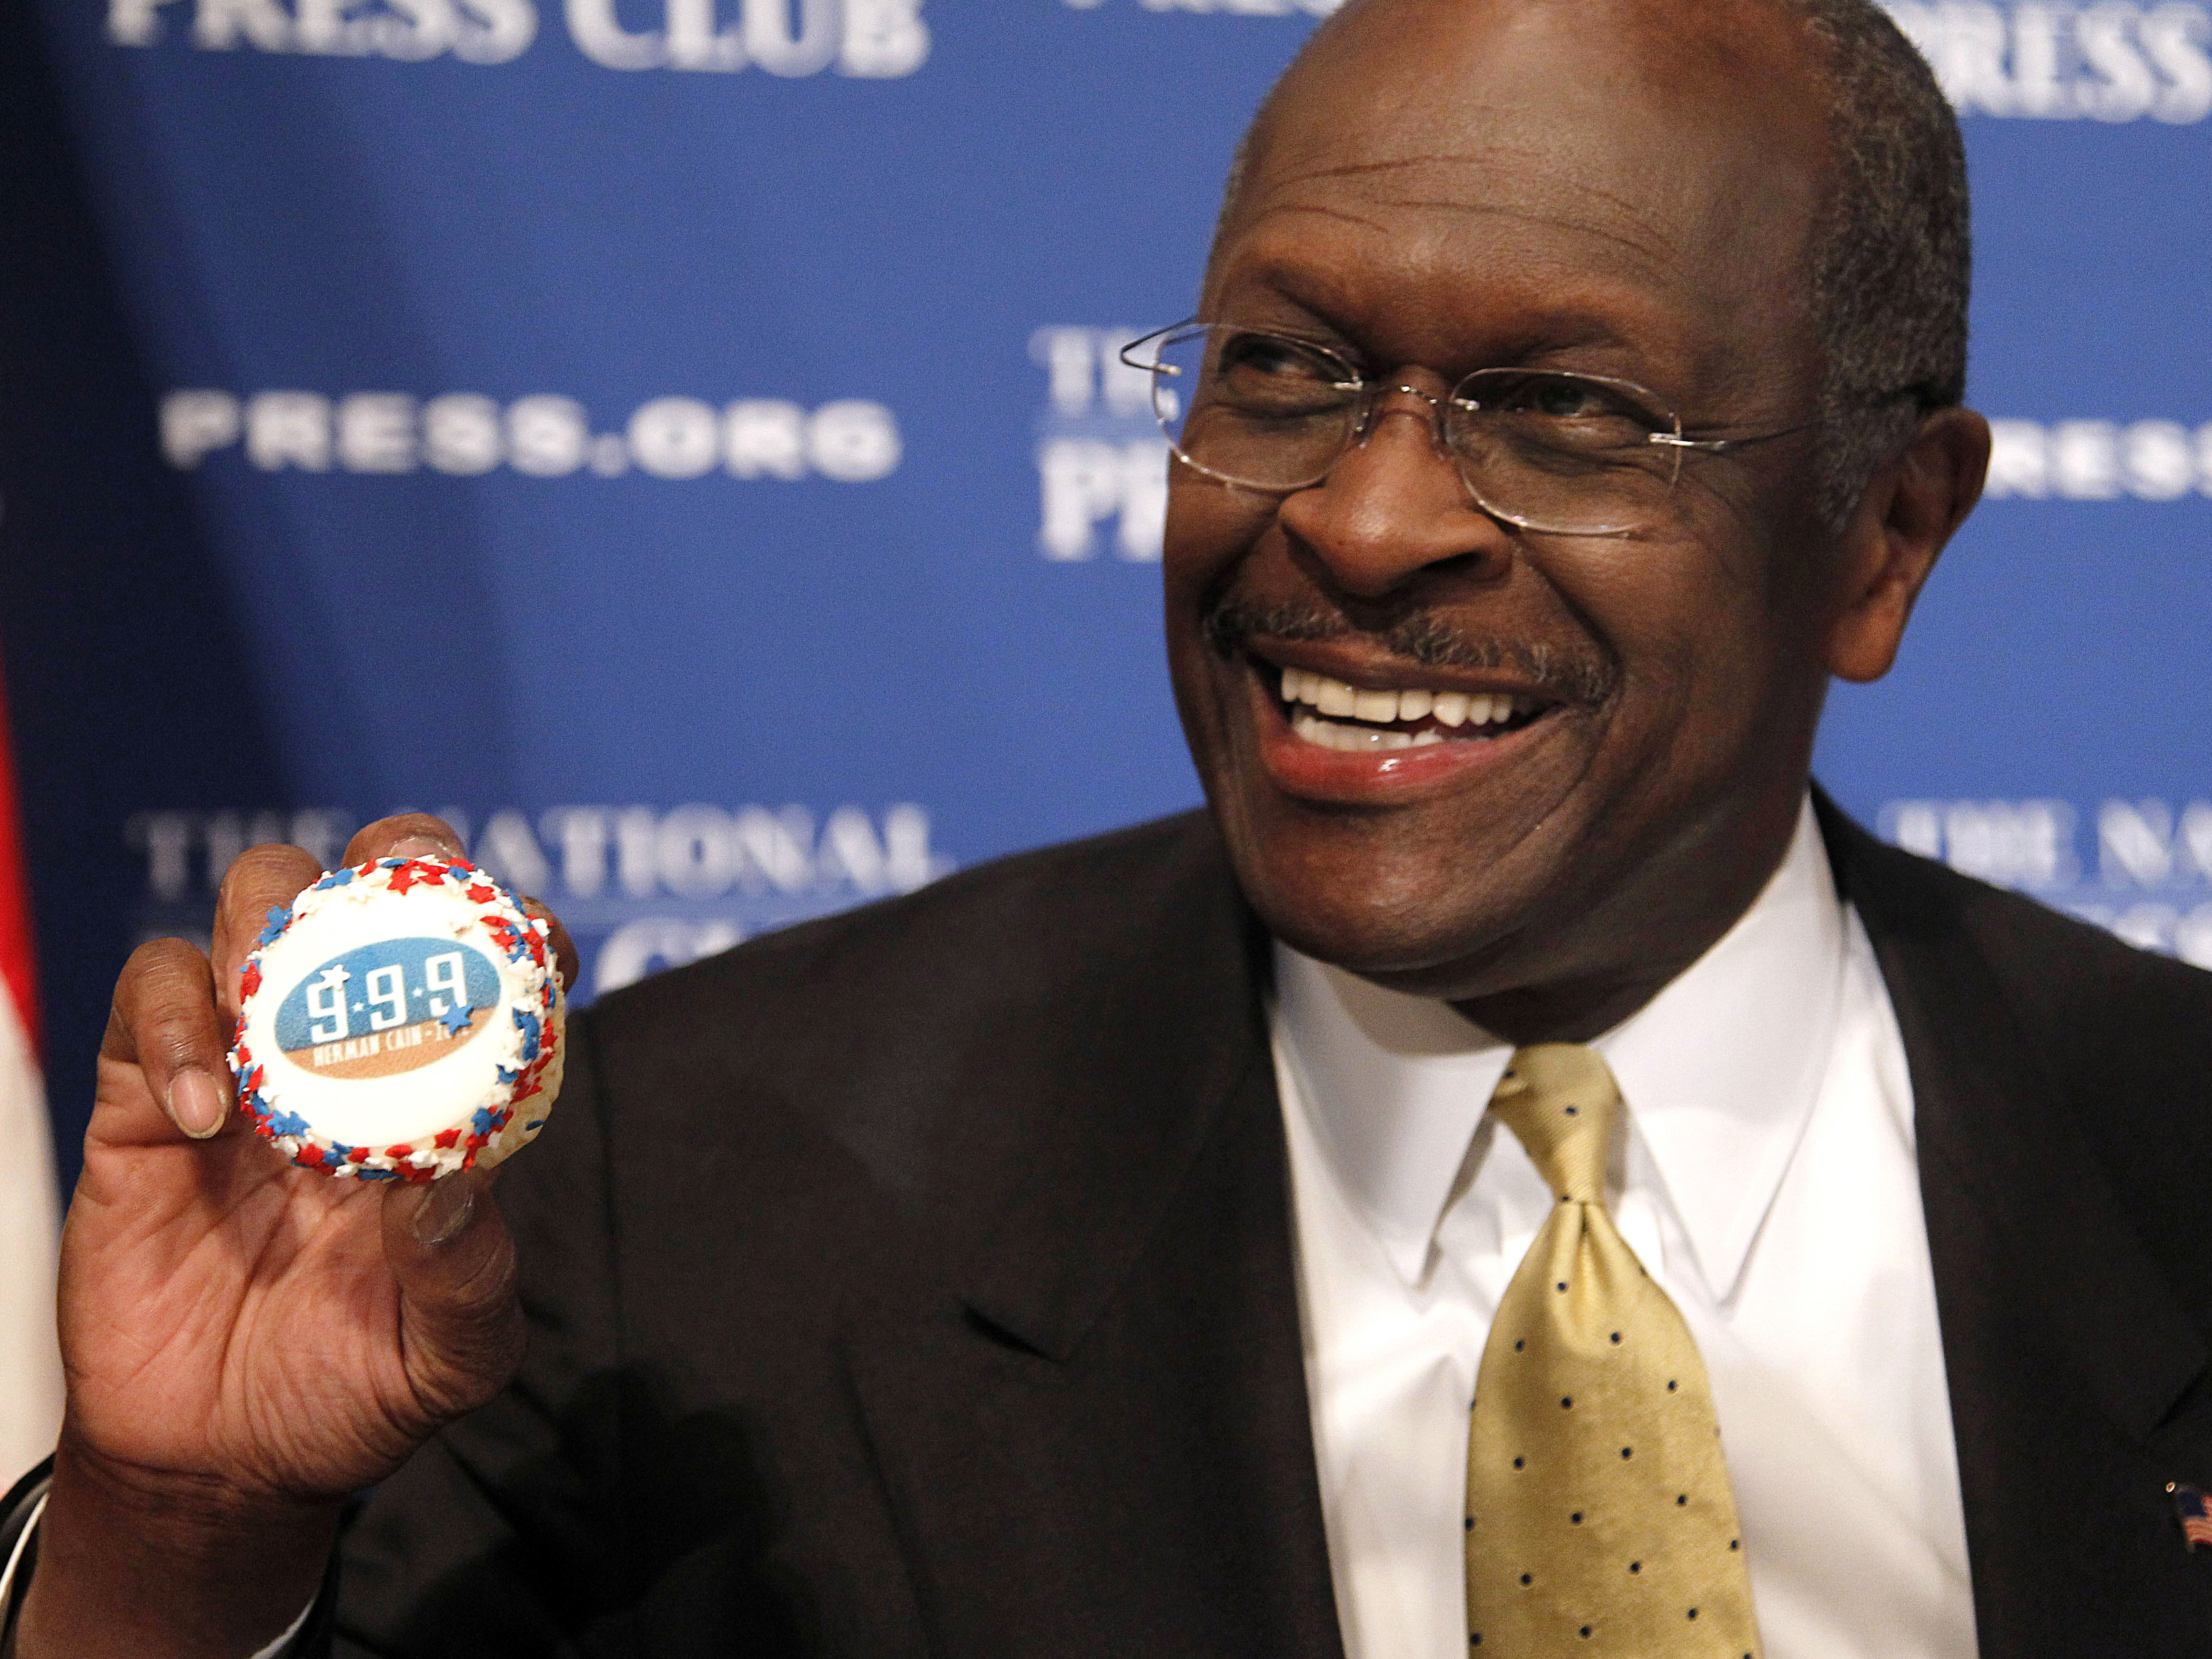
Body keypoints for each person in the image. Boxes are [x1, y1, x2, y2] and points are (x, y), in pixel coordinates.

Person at [10, 0, 2212, 1652]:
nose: (1364, 519)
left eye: (1563, 408)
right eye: (1288, 370)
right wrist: (178, 1544)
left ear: (1884, 536)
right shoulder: (661, 1208)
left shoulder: (2174, 1154)